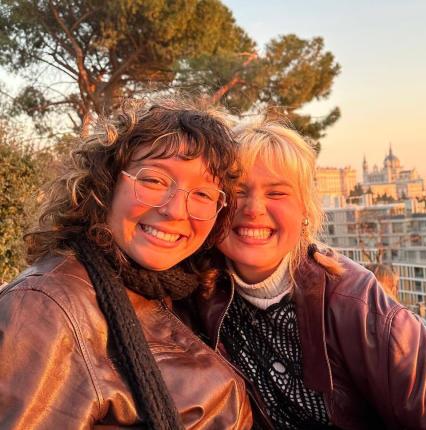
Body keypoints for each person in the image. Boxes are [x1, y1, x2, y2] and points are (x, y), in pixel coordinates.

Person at [192, 119, 426, 429]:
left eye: (276, 193)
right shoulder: (194, 286)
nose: (254, 208)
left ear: (306, 213)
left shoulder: (355, 301)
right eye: (237, 190)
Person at [0, 99, 252, 429]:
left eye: (203, 194)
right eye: (154, 180)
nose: (176, 210)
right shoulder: (43, 306)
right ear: (106, 185)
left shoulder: (185, 291)